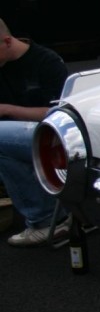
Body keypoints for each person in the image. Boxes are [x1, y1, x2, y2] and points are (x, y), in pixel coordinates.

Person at [0, 20, 69, 246]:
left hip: (53, 135)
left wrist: (8, 110)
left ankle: (46, 219)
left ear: (7, 42)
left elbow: (62, 114)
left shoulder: (47, 62)